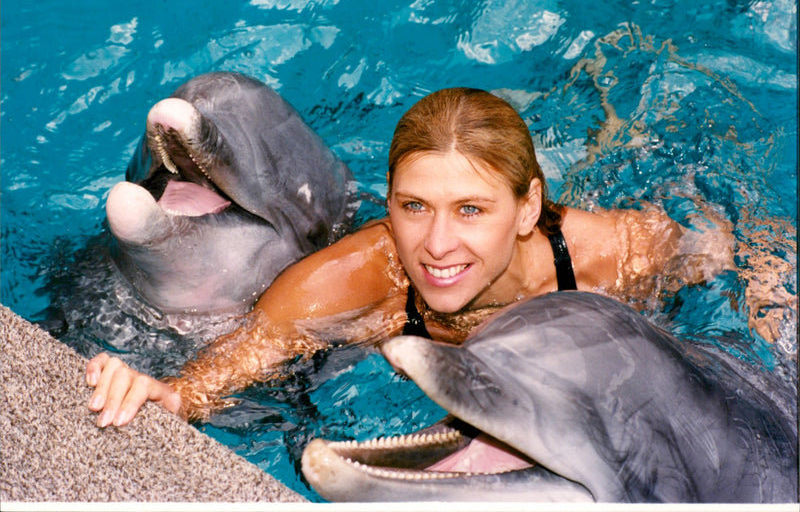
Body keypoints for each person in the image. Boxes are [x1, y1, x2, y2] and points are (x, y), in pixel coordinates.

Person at [86, 87, 733, 427]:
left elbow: (733, 258)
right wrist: (162, 393)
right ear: (387, 204)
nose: (438, 245)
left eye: (472, 210)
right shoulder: (355, 279)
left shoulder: (613, 254)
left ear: (530, 209)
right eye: (414, 207)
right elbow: (221, 372)